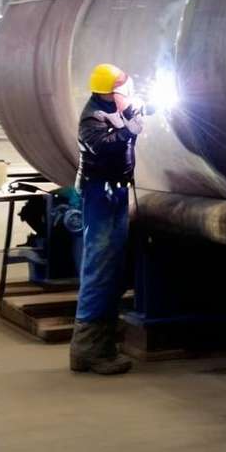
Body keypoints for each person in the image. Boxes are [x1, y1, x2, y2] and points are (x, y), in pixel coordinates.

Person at [68, 63, 143, 375]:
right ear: (109, 91)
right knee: (99, 268)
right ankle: (87, 350)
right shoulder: (92, 117)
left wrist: (137, 112)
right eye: (122, 85)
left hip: (116, 192)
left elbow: (132, 119)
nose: (127, 89)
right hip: (100, 193)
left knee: (112, 266)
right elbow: (102, 145)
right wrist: (128, 129)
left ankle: (103, 345)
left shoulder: (114, 107)